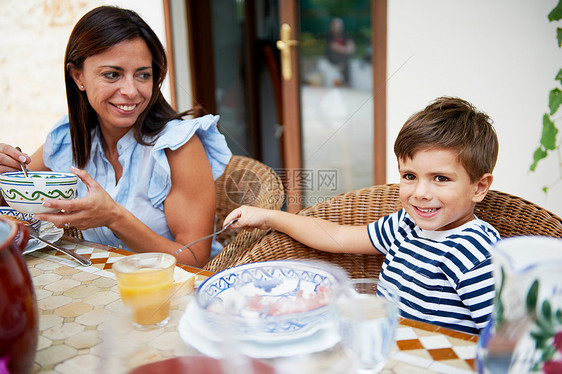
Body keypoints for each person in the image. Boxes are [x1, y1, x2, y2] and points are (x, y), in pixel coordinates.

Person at [224, 97, 500, 335]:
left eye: (440, 178)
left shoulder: (475, 254)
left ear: (479, 187)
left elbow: (502, 341)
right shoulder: (405, 225)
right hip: (383, 349)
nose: (420, 193)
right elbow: (339, 237)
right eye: (410, 176)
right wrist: (269, 217)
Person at [0, 6, 232, 267]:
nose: (131, 91)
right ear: (78, 76)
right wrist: (5, 174)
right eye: (113, 74)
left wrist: (114, 217)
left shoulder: (178, 146)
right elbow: (15, 200)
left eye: (143, 75)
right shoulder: (68, 139)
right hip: (102, 283)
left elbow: (192, 261)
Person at [325, 17, 355, 85]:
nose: (338, 28)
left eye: (339, 26)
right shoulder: (330, 35)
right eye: (336, 26)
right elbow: (334, 47)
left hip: (342, 56)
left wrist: (347, 49)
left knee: (345, 63)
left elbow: (351, 46)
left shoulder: (344, 34)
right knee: (343, 60)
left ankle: (346, 82)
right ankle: (345, 81)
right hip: (332, 56)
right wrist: (346, 49)